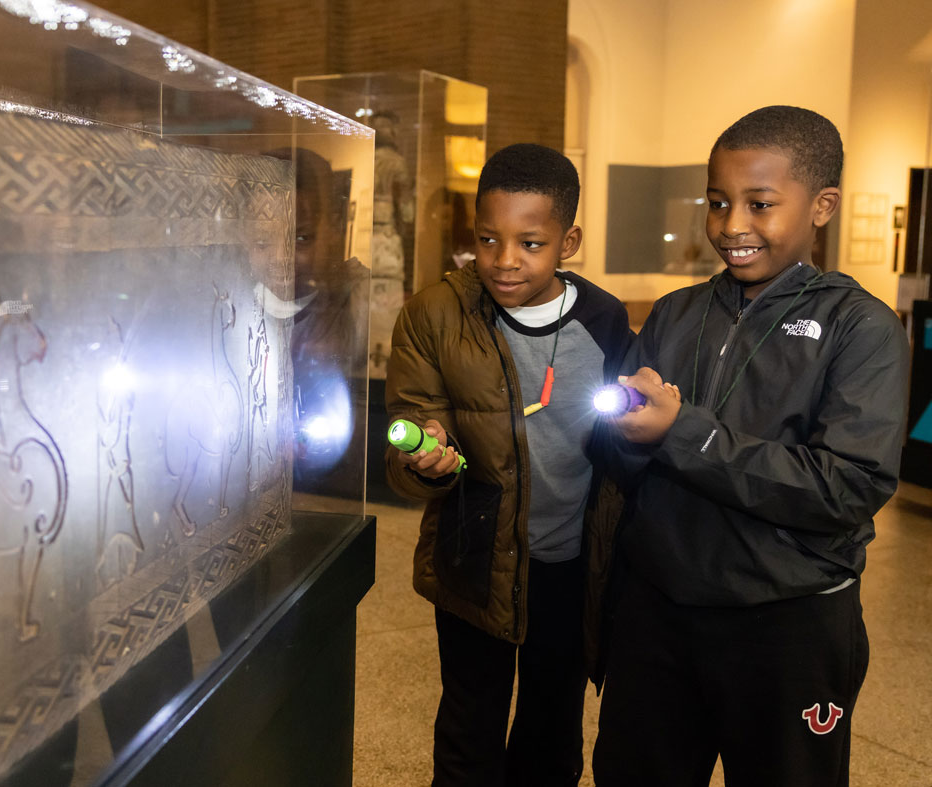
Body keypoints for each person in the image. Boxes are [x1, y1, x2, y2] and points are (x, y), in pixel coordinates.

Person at [591, 106, 910, 787]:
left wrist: (683, 432)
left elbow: (845, 486)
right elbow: (622, 461)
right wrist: (617, 426)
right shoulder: (677, 312)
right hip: (659, 614)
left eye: (760, 204)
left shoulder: (863, 328)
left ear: (821, 205)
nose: (732, 224)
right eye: (717, 202)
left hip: (786, 625)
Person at [385, 143, 632, 786]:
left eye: (530, 243)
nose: (504, 261)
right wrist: (427, 458)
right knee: (470, 725)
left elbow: (623, 442)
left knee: (552, 730)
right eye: (488, 239)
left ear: (568, 241)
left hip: (570, 566)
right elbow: (410, 435)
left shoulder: (605, 320)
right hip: (476, 559)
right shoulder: (435, 314)